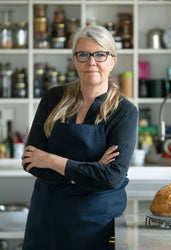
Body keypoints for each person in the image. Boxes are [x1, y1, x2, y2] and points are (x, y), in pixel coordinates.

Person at [21, 25, 138, 250]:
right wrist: (90, 171)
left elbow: (111, 177)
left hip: (93, 224)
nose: (91, 62)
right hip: (47, 219)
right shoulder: (53, 99)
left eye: (100, 54)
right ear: (74, 60)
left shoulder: (124, 112)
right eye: (83, 54)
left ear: (112, 60)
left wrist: (52, 161)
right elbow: (30, 161)